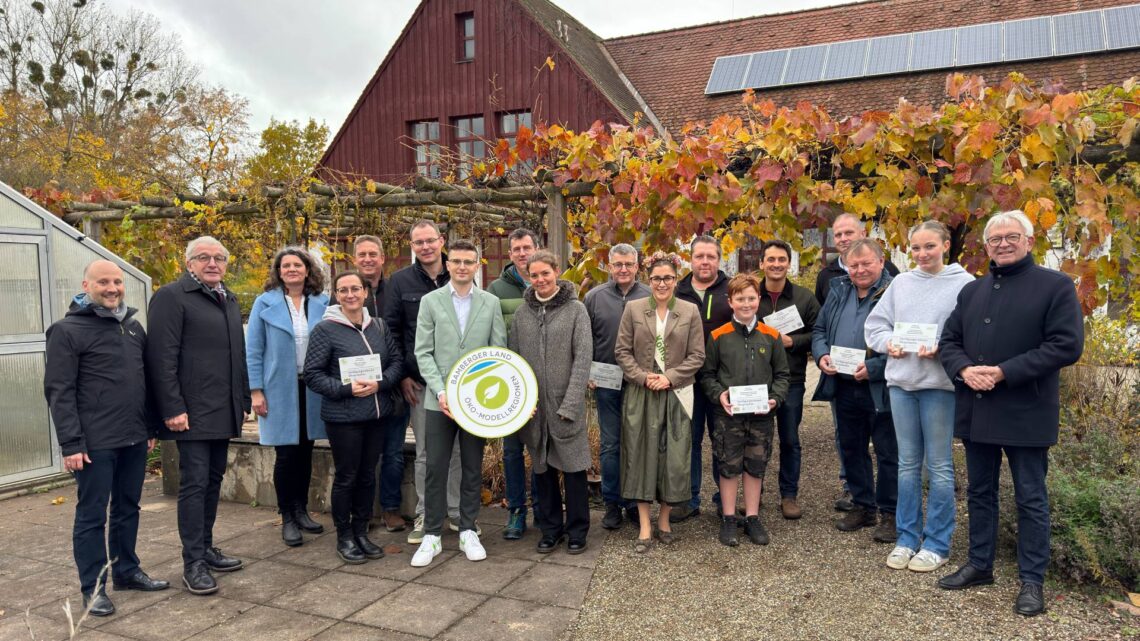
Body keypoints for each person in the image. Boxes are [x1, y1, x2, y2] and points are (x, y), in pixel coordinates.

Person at [937, 210, 1083, 617]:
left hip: (1026, 408)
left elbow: (1066, 345)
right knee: (980, 493)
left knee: (1031, 498)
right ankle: (980, 564)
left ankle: (1032, 580)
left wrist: (1003, 372)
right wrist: (964, 369)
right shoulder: (972, 292)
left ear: (1029, 241)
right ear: (985, 246)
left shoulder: (1055, 287)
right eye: (995, 238)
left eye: (1011, 236)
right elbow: (949, 340)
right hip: (978, 407)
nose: (1002, 243)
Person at [44, 260, 169, 616]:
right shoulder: (66, 331)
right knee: (92, 515)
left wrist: (148, 428)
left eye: (117, 281)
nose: (112, 288)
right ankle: (93, 588)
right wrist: (71, 444)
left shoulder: (131, 326)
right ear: (86, 285)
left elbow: (142, 382)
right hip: (93, 442)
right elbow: (59, 391)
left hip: (132, 436)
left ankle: (127, 571)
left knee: (128, 507)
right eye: (103, 282)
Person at [863, 221, 973, 572]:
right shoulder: (902, 283)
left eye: (929, 246)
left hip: (939, 386)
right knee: (906, 464)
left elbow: (972, 334)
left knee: (939, 466)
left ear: (945, 244)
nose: (922, 254)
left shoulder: (964, 284)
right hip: (901, 385)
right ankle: (907, 537)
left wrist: (943, 349)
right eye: (916, 248)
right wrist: (887, 344)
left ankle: (937, 543)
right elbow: (875, 326)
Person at [147, 236, 250, 596]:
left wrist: (243, 398)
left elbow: (237, 354)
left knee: (212, 481)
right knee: (193, 485)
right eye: (203, 257)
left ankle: (205, 548)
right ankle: (192, 562)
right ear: (188, 262)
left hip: (223, 409)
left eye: (219, 258)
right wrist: (172, 407)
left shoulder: (228, 298)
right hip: (191, 412)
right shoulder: (172, 297)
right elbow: (161, 358)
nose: (212, 263)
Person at [410, 239, 508, 567]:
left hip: (476, 403)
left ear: (477, 265)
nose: (462, 266)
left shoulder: (491, 303)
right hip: (439, 401)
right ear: (447, 264)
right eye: (456, 261)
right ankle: (432, 535)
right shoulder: (430, 301)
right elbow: (423, 351)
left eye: (469, 261)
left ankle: (468, 529)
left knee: (470, 466)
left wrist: (487, 397)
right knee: (435, 467)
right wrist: (441, 391)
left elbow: (498, 353)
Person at [304, 270, 404, 564]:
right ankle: (344, 536)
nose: (350, 295)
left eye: (355, 289)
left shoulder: (380, 326)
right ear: (336, 295)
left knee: (367, 476)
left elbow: (396, 362)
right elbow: (312, 374)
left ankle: (362, 532)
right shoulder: (325, 330)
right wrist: (345, 389)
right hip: (344, 417)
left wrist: (381, 383)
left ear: (365, 292)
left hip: (376, 414)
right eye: (343, 290)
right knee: (347, 477)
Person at [615, 251, 705, 553]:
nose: (662, 283)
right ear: (648, 280)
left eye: (667, 278)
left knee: (673, 458)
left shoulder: (690, 311)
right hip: (641, 393)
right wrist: (642, 377)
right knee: (640, 455)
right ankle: (644, 525)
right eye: (656, 278)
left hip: (676, 393)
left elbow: (697, 356)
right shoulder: (634, 308)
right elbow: (622, 351)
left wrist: (670, 377)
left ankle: (664, 520)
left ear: (676, 280)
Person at [811, 238, 898, 544]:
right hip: (844, 385)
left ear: (881, 261)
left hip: (880, 387)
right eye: (854, 264)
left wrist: (874, 368)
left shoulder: (895, 293)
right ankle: (863, 505)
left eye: (866, 263)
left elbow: (902, 341)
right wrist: (821, 355)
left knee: (888, 451)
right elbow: (820, 330)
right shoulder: (838, 291)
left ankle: (890, 512)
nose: (859, 270)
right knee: (852, 448)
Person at [383, 220, 464, 544]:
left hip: (459, 381)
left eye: (431, 240)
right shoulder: (400, 282)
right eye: (419, 242)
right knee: (427, 454)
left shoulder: (459, 275)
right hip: (419, 383)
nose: (426, 247)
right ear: (412, 246)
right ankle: (425, 515)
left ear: (442, 240)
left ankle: (458, 514)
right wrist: (401, 374)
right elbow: (392, 331)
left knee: (457, 450)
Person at [509, 250, 593, 554]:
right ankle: (550, 528)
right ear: (528, 277)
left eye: (546, 273)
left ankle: (577, 530)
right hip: (535, 409)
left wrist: (571, 403)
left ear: (557, 272)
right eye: (535, 275)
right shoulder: (522, 314)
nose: (541, 279)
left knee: (573, 470)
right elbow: (514, 360)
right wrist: (521, 402)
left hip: (564, 405)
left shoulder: (575, 310)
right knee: (542, 471)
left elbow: (583, 358)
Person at [246, 247, 330, 547]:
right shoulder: (264, 302)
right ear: (279, 271)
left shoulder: (322, 302)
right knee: (285, 456)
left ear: (308, 270)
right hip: (278, 388)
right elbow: (253, 348)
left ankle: (302, 510)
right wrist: (255, 391)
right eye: (286, 266)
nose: (291, 269)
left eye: (297, 265)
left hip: (313, 387)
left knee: (306, 452)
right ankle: (288, 517)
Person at [700, 273, 790, 547]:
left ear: (758, 300)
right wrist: (719, 395)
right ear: (730, 302)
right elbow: (707, 375)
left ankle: (752, 516)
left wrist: (775, 398)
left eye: (751, 298)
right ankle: (729, 518)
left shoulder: (771, 336)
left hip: (762, 417)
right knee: (728, 466)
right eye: (740, 299)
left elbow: (783, 375)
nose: (746, 303)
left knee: (755, 466)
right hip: (728, 417)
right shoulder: (718, 336)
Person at [584, 243, 651, 530]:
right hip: (606, 382)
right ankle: (612, 503)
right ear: (609, 266)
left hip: (640, 383)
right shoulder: (593, 298)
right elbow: (583, 339)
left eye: (629, 264)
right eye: (618, 264)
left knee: (638, 443)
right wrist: (585, 370)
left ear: (637, 267)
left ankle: (636, 502)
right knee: (611, 445)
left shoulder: (650, 296)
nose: (623, 269)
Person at [756, 239, 820, 520]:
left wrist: (792, 340)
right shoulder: (750, 295)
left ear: (789, 264)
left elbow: (820, 333)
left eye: (782, 259)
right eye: (771, 259)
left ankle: (789, 495)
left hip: (792, 380)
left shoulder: (804, 298)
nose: (776, 264)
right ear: (762, 264)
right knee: (756, 439)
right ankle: (754, 493)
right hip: (755, 382)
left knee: (790, 439)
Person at [673, 235, 732, 522]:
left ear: (718, 260)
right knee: (690, 441)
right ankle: (690, 497)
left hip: (723, 380)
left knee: (722, 441)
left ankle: (725, 499)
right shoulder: (677, 290)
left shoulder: (731, 289)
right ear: (691, 259)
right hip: (687, 379)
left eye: (711, 256)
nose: (705, 261)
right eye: (700, 256)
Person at [487, 227, 539, 540]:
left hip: (545, 380)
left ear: (537, 248)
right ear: (511, 254)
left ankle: (545, 508)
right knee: (511, 451)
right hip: (510, 382)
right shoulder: (496, 289)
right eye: (517, 249)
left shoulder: (548, 282)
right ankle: (517, 511)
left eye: (527, 247)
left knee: (543, 450)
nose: (522, 253)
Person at [353, 235, 406, 533]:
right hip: (355, 391)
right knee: (359, 455)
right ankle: (361, 512)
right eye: (362, 254)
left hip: (392, 387)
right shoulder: (343, 292)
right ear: (355, 259)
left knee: (393, 452)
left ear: (383, 258)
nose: (368, 259)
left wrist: (396, 378)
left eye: (373, 253)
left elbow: (401, 336)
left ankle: (390, 508)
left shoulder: (395, 290)